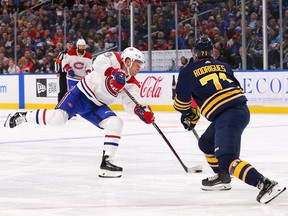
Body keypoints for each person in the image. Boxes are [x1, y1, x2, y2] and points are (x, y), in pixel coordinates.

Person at [4, 47, 154, 178]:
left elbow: (130, 103)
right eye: (137, 65)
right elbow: (98, 63)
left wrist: (141, 112)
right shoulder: (114, 58)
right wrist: (113, 72)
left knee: (116, 123)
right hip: (81, 94)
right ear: (128, 61)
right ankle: (23, 116)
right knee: (58, 119)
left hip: (97, 106)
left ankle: (107, 162)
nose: (139, 69)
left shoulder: (132, 83)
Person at [173, 36, 286, 204]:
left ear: (194, 53)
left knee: (226, 159)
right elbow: (235, 88)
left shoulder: (187, 70)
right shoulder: (223, 65)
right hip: (238, 110)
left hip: (227, 115)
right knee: (205, 143)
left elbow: (182, 103)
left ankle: (265, 183)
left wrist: (189, 115)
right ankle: (223, 177)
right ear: (212, 52)